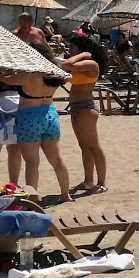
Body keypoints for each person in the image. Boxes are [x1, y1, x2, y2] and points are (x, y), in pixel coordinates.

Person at [7, 66, 72, 201]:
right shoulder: (54, 74)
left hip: (29, 116)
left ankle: (33, 197)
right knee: (57, 159)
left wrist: (9, 70)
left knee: (31, 162)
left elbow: (5, 79)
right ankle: (65, 194)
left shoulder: (29, 75)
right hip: (50, 113)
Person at [59, 34, 108, 194]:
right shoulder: (80, 65)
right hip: (77, 107)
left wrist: (84, 54)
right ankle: (88, 181)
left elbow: (66, 64)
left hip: (86, 108)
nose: (70, 50)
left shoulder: (90, 63)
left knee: (93, 146)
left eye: (73, 48)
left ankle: (101, 182)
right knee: (84, 147)